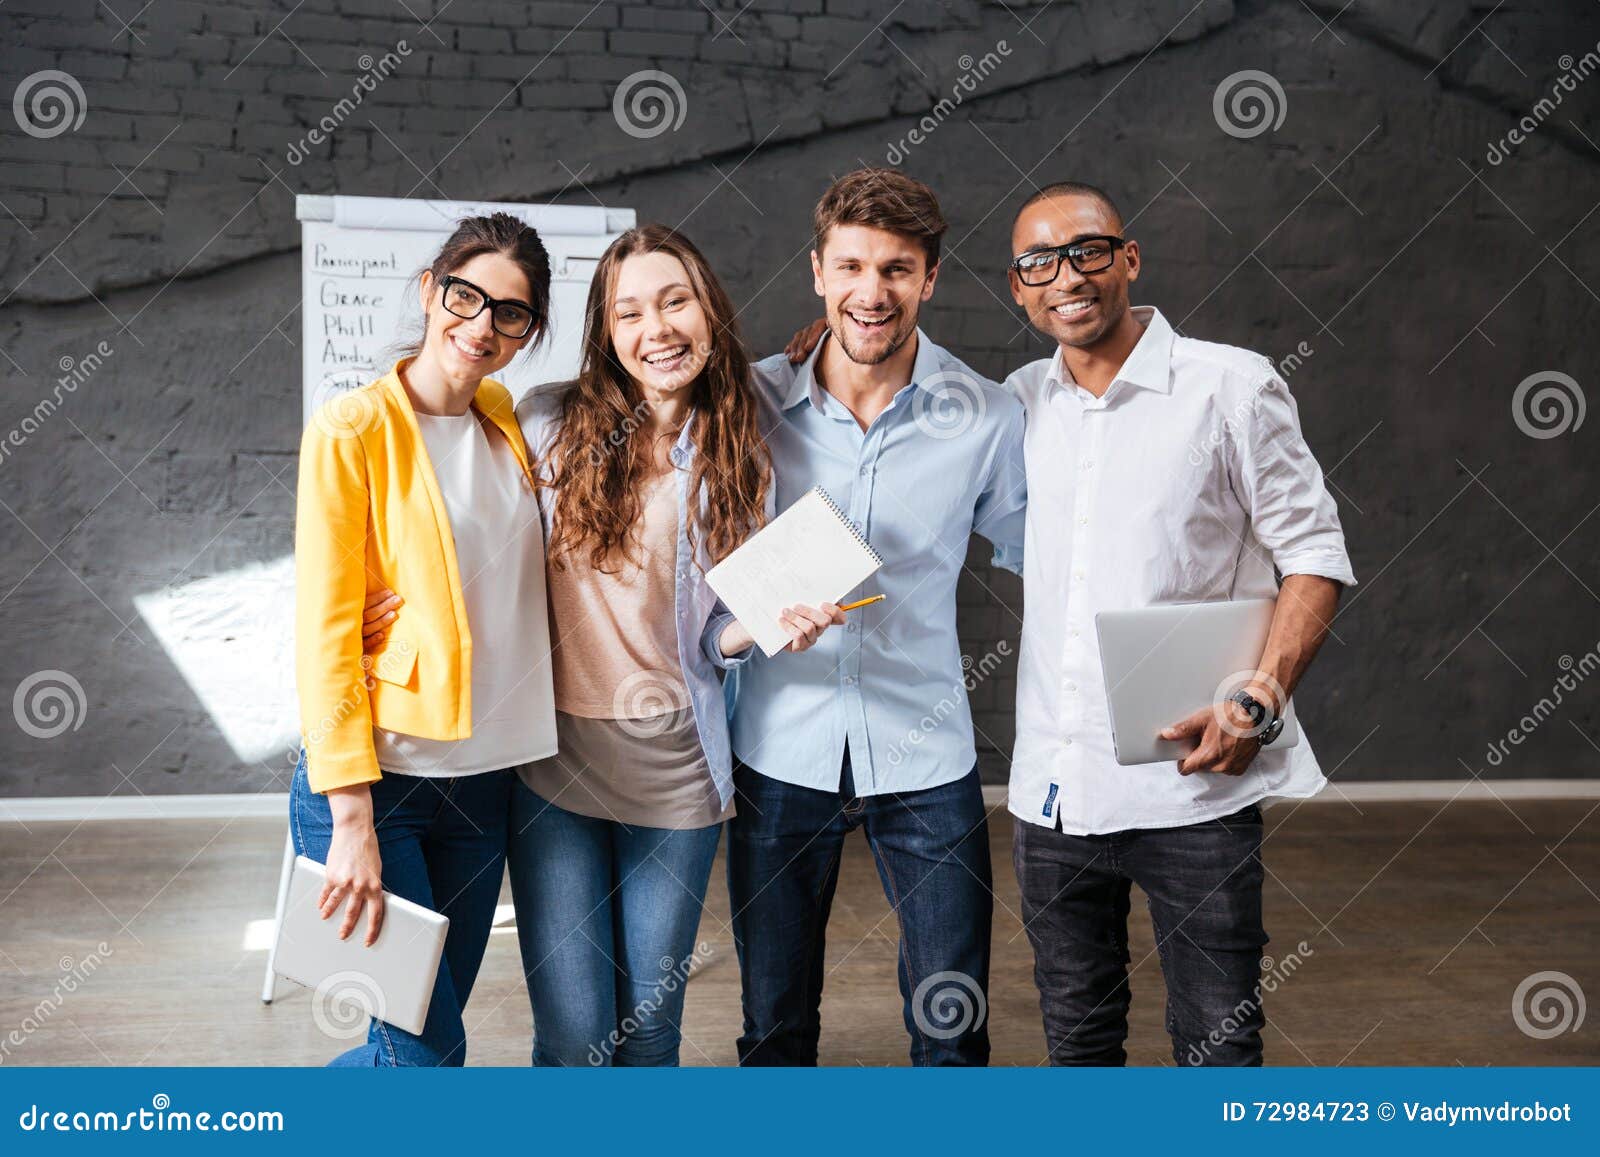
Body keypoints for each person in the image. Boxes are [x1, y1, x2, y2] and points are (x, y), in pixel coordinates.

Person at [1001, 181, 1355, 1065]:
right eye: (1038, 261)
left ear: (1129, 259)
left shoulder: (1230, 386)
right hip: (1053, 789)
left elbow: (1313, 551)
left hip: (1196, 780)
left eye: (1087, 250)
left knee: (1217, 1047)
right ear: (1018, 287)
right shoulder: (1015, 404)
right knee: (1078, 1045)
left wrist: (1261, 694)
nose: (1066, 276)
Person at [725, 168, 1027, 1066]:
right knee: (774, 1026)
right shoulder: (749, 402)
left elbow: (1043, 563)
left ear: (929, 279)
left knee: (953, 1025)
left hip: (925, 751)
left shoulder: (987, 415)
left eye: (897, 269)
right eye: (851, 265)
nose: (872, 291)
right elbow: (689, 565)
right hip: (778, 748)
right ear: (818, 270)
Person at [292, 213, 559, 1066]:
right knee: (430, 1051)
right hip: (383, 784)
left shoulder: (504, 418)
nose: (480, 326)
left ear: (527, 333)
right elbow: (326, 632)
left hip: (484, 789)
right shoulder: (352, 429)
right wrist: (351, 818)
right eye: (465, 296)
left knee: (405, 1043)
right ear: (429, 291)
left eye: (509, 313)